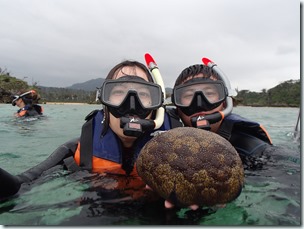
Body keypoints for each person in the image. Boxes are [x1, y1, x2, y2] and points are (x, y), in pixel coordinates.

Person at [1, 60, 182, 204]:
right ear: (104, 102)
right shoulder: (81, 150)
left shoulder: (179, 150)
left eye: (143, 94)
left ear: (156, 105)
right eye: (118, 92)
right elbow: (21, 185)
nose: (131, 104)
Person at [166, 59, 274, 209]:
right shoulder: (165, 141)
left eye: (209, 93)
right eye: (188, 95)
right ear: (177, 107)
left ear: (224, 102)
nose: (199, 103)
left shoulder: (250, 146)